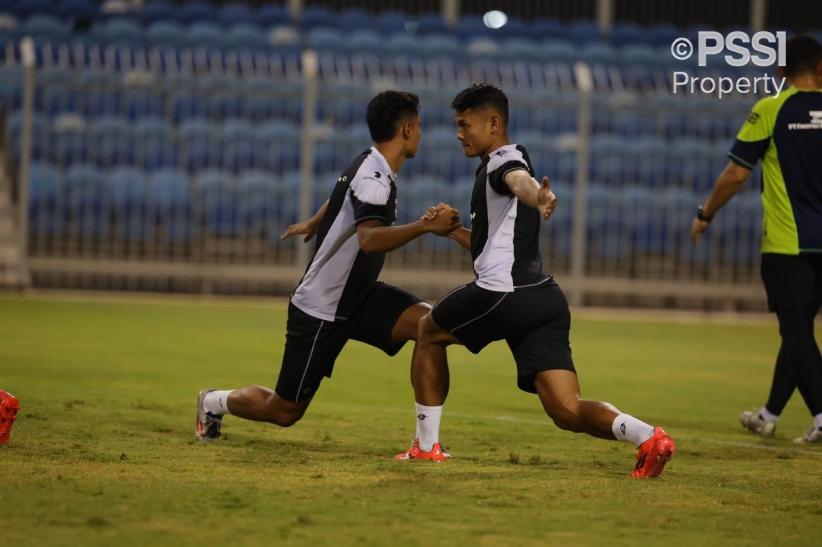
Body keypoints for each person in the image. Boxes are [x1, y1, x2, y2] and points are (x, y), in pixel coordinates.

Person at [395, 83, 676, 478]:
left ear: (494, 124)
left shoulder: (503, 162)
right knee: (566, 409)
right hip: (541, 299)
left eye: (465, 125)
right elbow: (494, 245)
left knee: (428, 330)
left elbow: (519, 181)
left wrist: (538, 196)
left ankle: (426, 448)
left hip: (502, 294)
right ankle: (649, 437)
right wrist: (454, 232)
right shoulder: (502, 161)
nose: (459, 133)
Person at [195, 91, 461, 440]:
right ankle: (212, 401)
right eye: (420, 126)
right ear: (407, 129)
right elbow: (369, 240)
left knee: (430, 326)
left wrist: (315, 221)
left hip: (359, 296)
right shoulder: (374, 179)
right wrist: (425, 227)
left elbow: (340, 196)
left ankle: (426, 445)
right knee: (284, 410)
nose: (421, 134)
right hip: (322, 307)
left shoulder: (369, 164)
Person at [691, 35, 822, 443]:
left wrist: (705, 213)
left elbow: (736, 174)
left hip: (788, 245)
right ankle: (769, 414)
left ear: (780, 71)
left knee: (796, 332)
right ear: (821, 69)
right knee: (798, 333)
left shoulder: (771, 108)